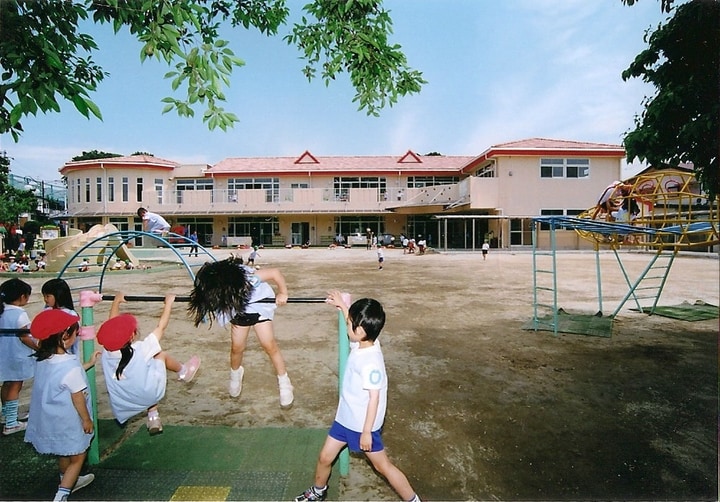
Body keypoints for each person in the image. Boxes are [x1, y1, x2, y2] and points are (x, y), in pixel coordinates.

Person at [295, 293, 420, 502]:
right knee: (325, 457)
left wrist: (366, 432)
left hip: (363, 426)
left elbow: (374, 399)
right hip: (344, 419)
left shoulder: (371, 362)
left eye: (350, 323)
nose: (347, 325)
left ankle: (413, 500)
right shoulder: (363, 342)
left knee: (383, 467)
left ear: (360, 330)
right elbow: (351, 325)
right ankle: (318, 491)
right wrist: (343, 306)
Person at [188, 256, 294, 408]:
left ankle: (285, 382)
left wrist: (283, 292)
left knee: (268, 345)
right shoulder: (225, 293)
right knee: (237, 347)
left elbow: (275, 273)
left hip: (259, 307)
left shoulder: (250, 279)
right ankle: (235, 374)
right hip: (238, 309)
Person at [97, 293, 200, 435]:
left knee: (145, 370)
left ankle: (153, 416)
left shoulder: (106, 355)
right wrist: (168, 303)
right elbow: (161, 327)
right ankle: (183, 371)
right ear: (132, 336)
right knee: (159, 355)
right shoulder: (140, 349)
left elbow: (112, 327)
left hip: (124, 403)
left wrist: (116, 302)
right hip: (150, 394)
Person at [25, 309, 98, 501]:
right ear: (65, 335)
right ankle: (62, 494)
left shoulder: (43, 360)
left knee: (63, 451)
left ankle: (65, 480)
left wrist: (88, 364)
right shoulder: (70, 367)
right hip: (69, 420)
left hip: (49, 417)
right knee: (78, 456)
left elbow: (63, 378)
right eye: (76, 331)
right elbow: (77, 396)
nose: (77, 334)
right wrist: (86, 419)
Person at [0, 278, 36, 435]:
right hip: (17, 355)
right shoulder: (19, 314)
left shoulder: (2, 311)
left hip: (4, 355)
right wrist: (39, 348)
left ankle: (7, 414)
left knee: (6, 385)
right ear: (22, 296)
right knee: (15, 385)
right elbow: (24, 337)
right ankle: (11, 424)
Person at [42, 279, 81, 355]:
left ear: (58, 295)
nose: (45, 299)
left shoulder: (71, 314)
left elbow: (71, 338)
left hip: (66, 353)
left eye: (48, 296)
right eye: (44, 296)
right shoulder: (45, 311)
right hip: (48, 354)